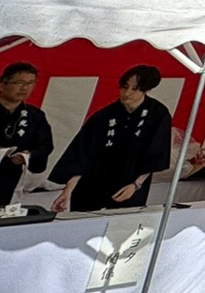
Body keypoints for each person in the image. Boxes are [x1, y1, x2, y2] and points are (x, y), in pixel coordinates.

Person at [50, 65, 173, 213]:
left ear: (146, 89)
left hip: (129, 185)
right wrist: (67, 191)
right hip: (92, 184)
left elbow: (155, 155)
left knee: (120, 228)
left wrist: (136, 185)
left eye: (134, 89)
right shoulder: (103, 116)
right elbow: (82, 154)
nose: (127, 93)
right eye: (125, 87)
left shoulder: (158, 114)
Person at [0, 63, 54, 208]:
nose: (24, 88)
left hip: (13, 181)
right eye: (19, 82)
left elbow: (45, 146)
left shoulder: (35, 116)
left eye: (30, 83)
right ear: (2, 85)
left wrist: (28, 156)